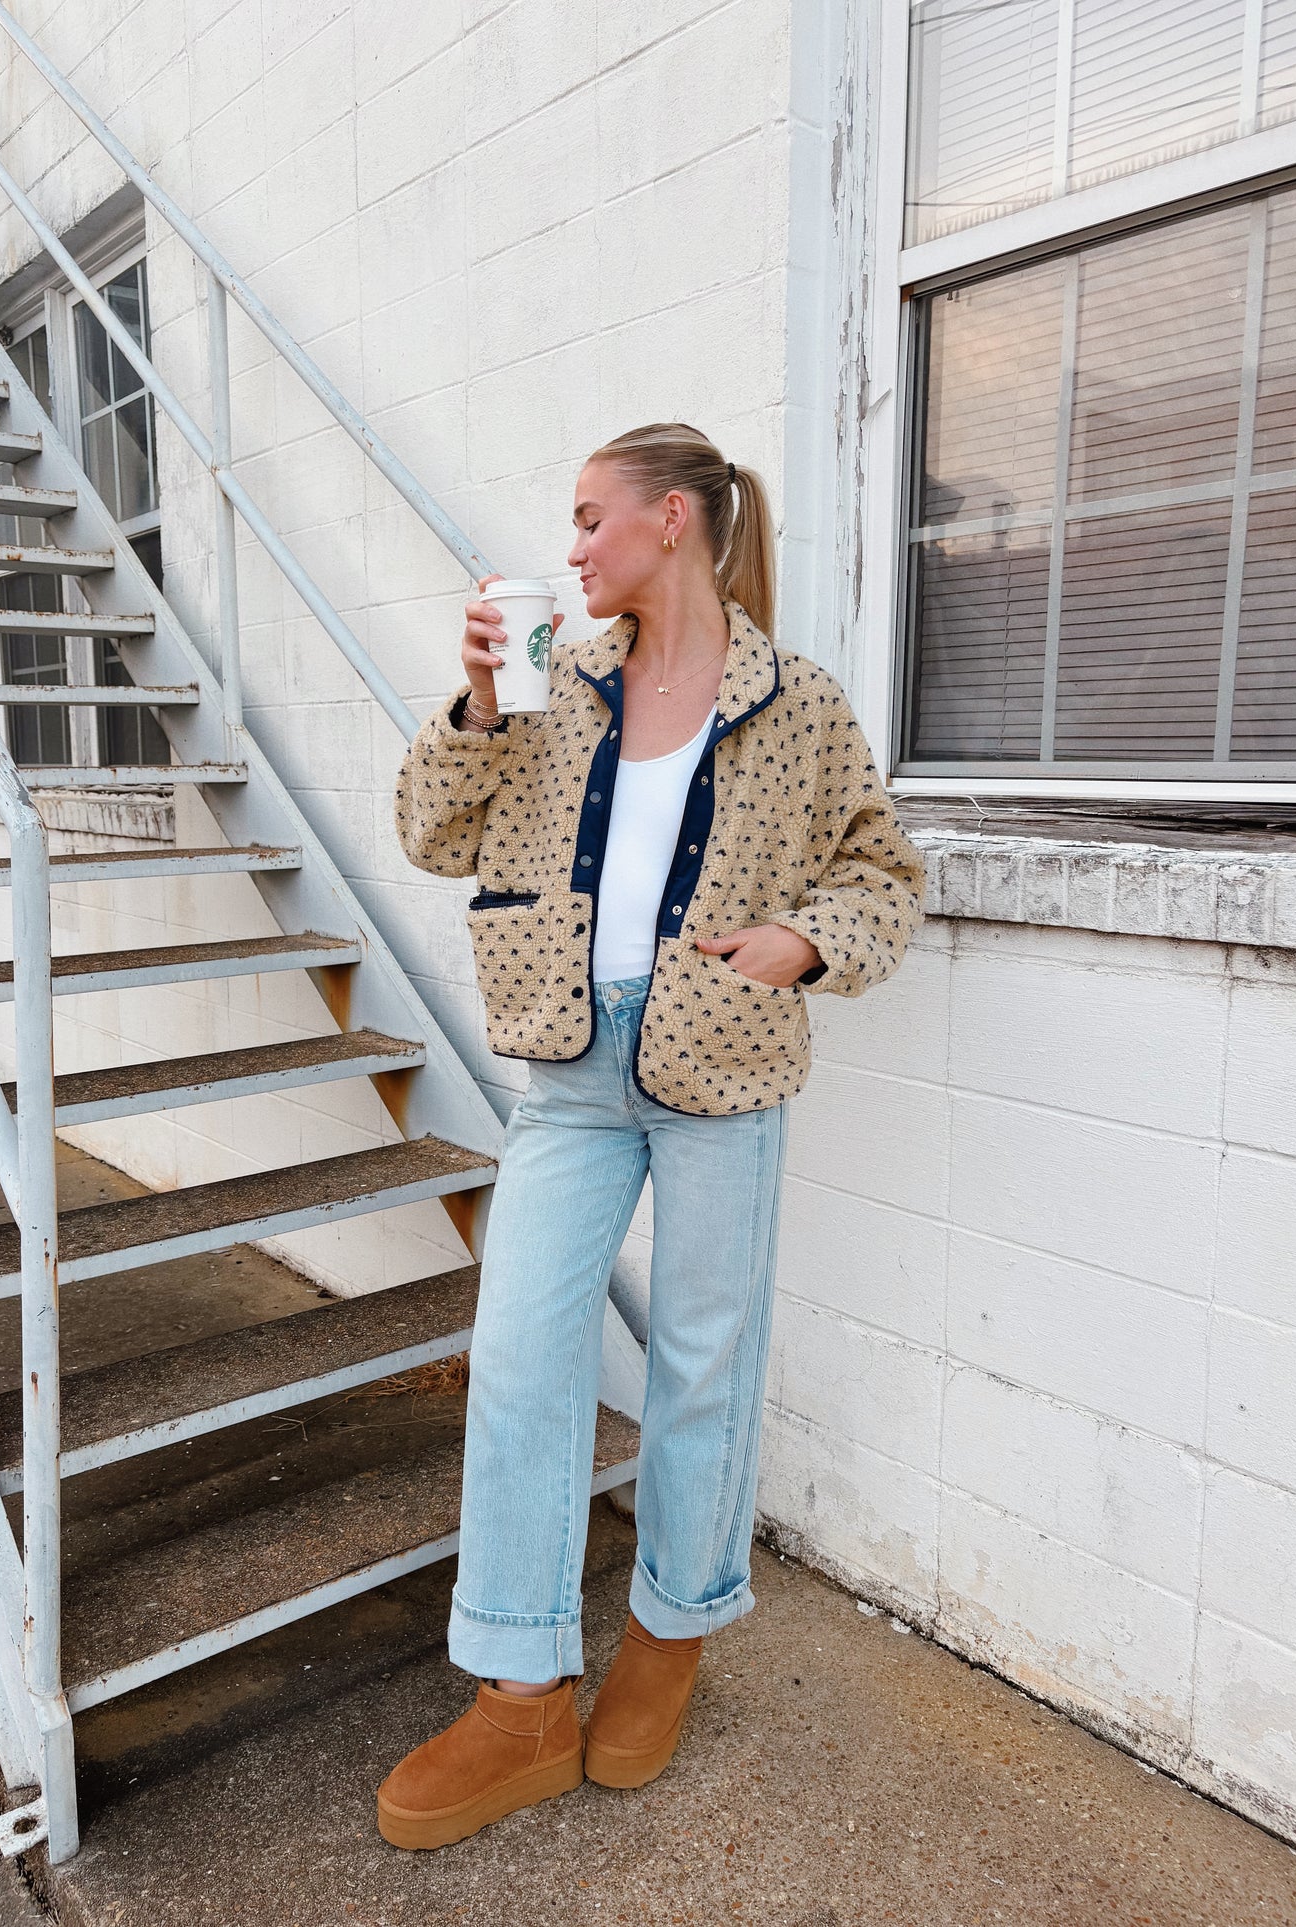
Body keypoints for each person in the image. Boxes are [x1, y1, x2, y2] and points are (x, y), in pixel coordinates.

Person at [379, 422, 924, 1850]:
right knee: (516, 1358)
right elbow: (431, 837)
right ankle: (518, 1690)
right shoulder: (557, 683)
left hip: (719, 1063)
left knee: (698, 1365)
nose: (569, 549)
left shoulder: (795, 704)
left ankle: (669, 1638)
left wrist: (805, 940)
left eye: (587, 519)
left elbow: (881, 866)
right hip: (569, 1068)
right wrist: (482, 693)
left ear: (671, 521)